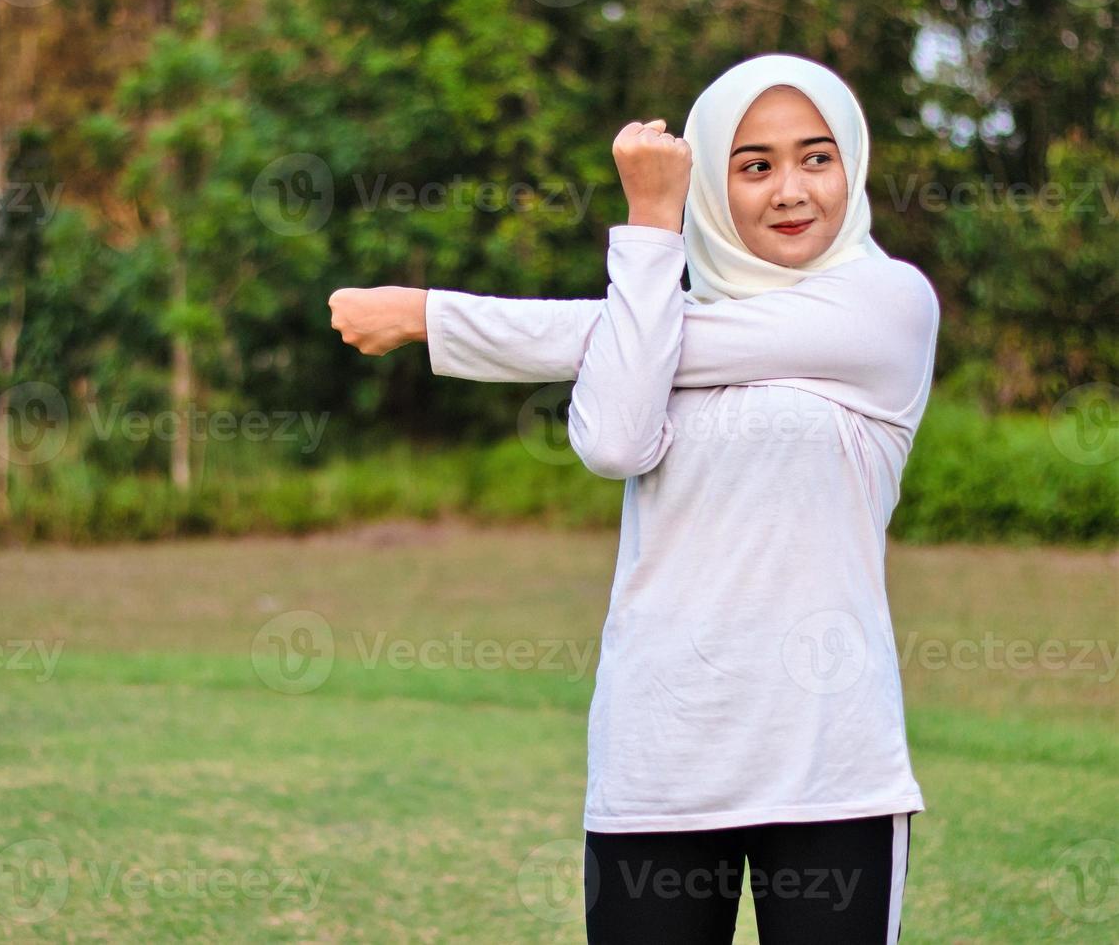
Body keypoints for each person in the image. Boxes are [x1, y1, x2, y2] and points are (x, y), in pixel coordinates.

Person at [328, 53, 940, 944]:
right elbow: (613, 441)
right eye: (754, 165)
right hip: (658, 766)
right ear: (715, 186)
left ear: (853, 161)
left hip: (830, 770)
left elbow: (625, 337)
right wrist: (654, 232)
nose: (792, 190)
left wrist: (432, 314)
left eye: (817, 157)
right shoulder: (643, 326)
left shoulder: (888, 306)